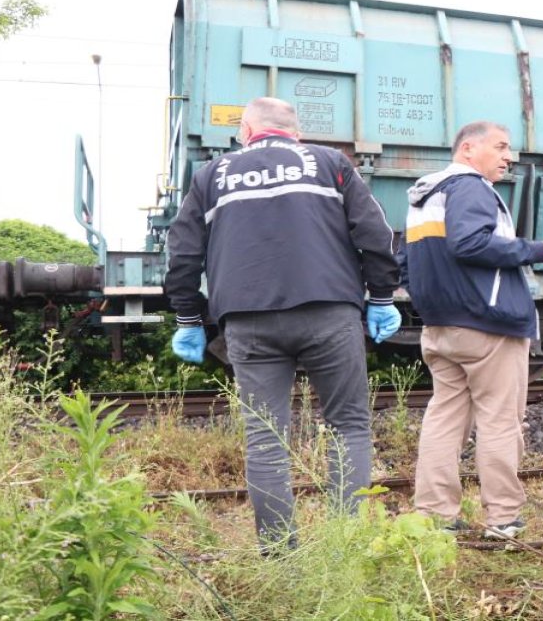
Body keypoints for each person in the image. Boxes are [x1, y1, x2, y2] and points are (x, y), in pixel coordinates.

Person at [165, 96, 402, 553]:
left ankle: (279, 554)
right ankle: (345, 545)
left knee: (266, 439)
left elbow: (183, 255)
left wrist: (189, 318)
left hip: (248, 320)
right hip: (329, 310)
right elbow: (375, 233)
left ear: (248, 131)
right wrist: (382, 297)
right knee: (348, 426)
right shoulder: (330, 162)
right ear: (294, 132)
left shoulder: (212, 175)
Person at [401, 121, 543, 539]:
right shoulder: (471, 188)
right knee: (500, 421)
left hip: (441, 326)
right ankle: (503, 519)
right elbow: (469, 243)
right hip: (488, 326)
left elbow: (405, 262)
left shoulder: (425, 194)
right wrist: (542, 250)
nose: (509, 157)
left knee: (445, 417)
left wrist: (432, 303)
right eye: (501, 147)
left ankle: (434, 516)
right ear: (468, 149)